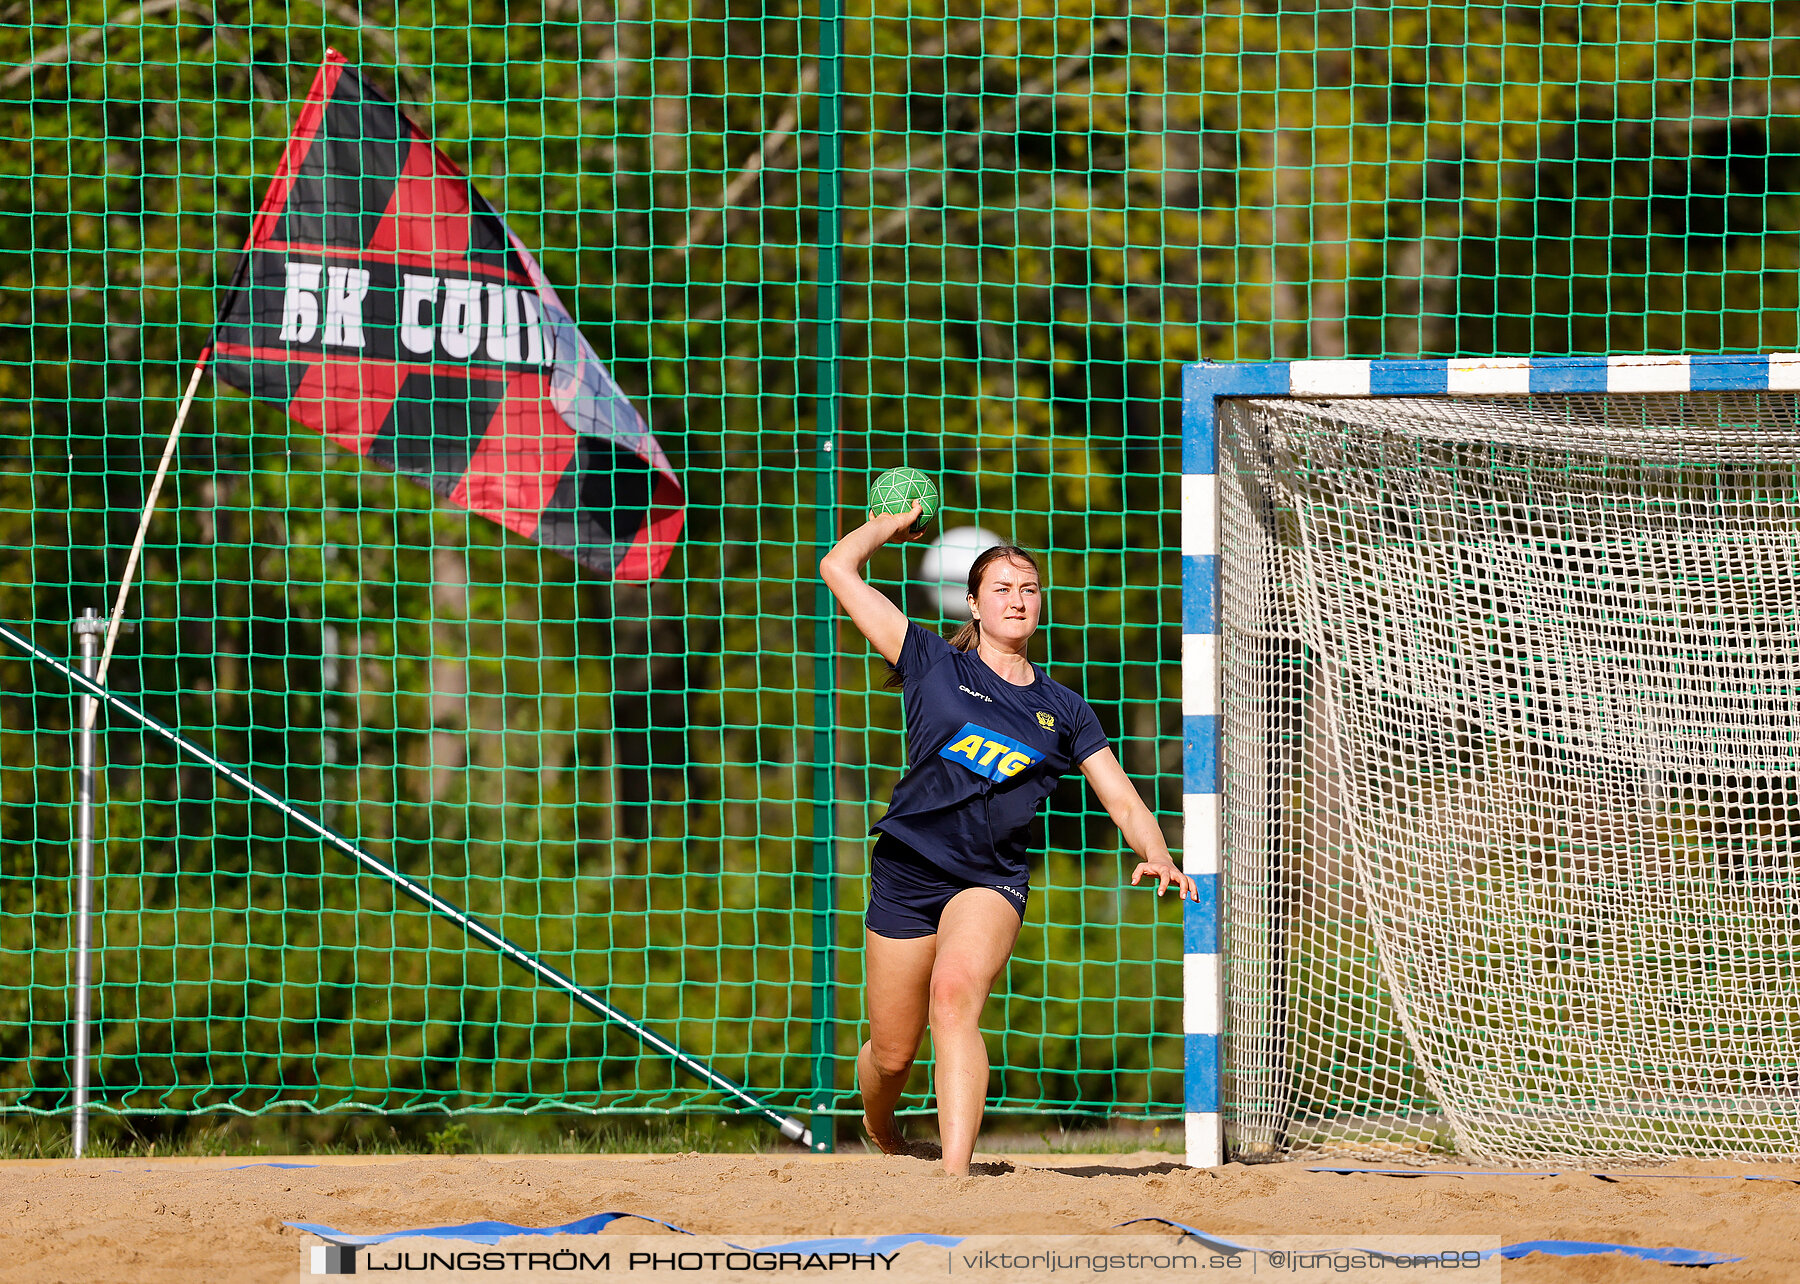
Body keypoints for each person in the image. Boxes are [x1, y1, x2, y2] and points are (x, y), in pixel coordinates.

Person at [819, 500, 1198, 1175]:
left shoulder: (1065, 709)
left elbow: (1121, 798)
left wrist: (1158, 852)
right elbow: (838, 567)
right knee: (892, 1053)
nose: (1016, 599)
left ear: (1040, 605)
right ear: (972, 605)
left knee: (954, 994)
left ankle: (956, 1176)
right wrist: (892, 525)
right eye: (1001, 588)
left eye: (1028, 588)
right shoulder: (931, 661)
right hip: (907, 871)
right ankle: (882, 1125)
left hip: (988, 879)